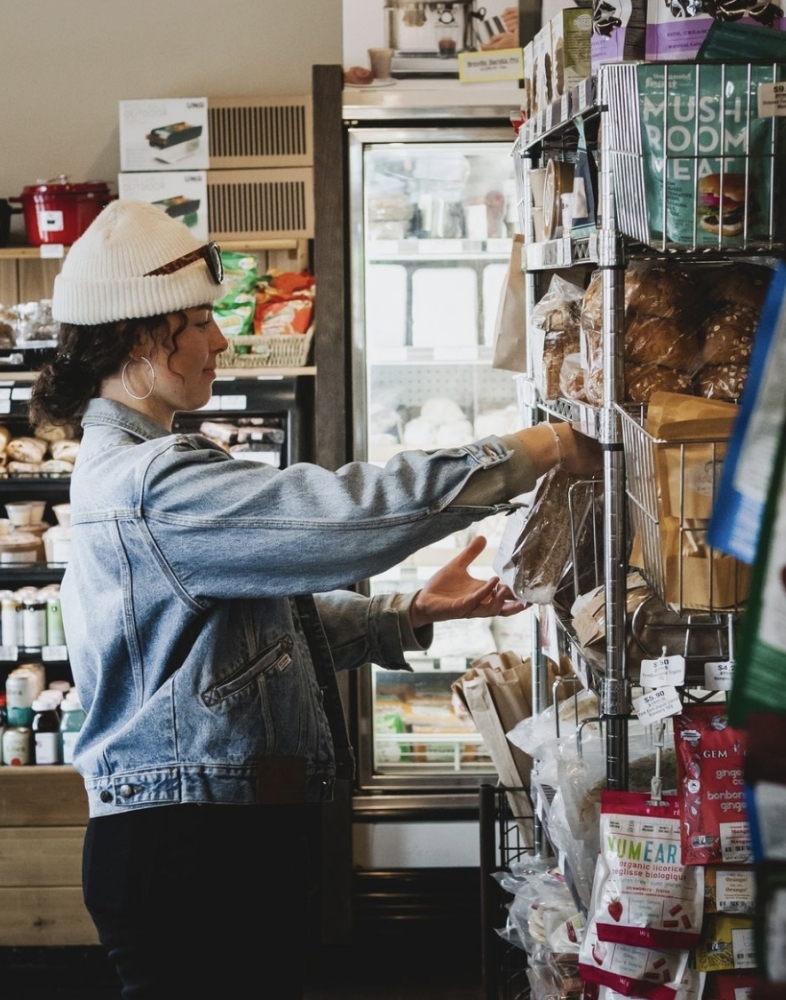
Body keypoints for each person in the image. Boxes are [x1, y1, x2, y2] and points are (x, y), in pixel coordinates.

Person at [29, 199, 601, 999]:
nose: (220, 340)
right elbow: (344, 517)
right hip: (193, 849)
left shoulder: (140, 464)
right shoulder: (153, 483)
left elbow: (231, 646)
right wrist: (530, 448)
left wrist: (402, 616)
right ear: (136, 336)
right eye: (199, 321)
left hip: (203, 835)